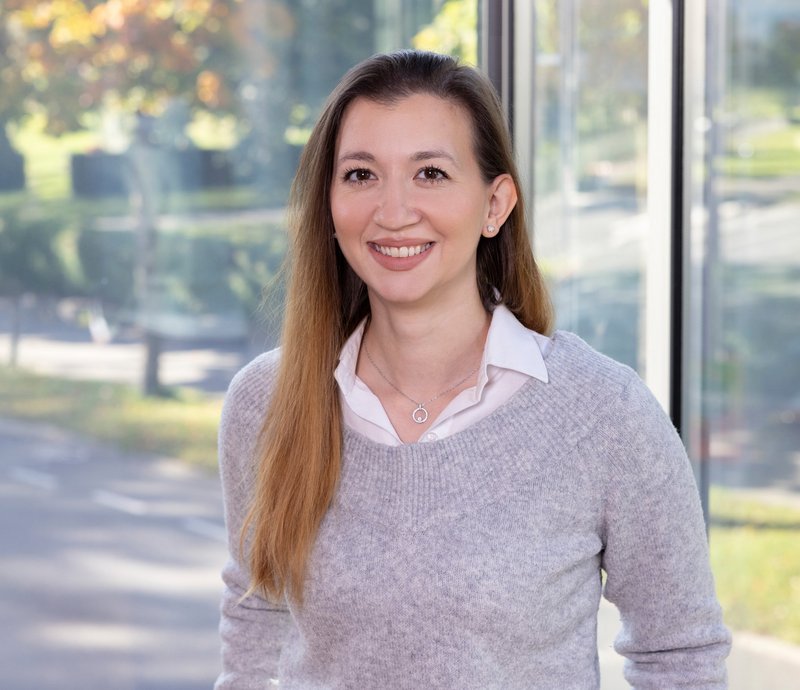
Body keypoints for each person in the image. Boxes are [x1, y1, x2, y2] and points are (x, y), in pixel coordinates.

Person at [215, 50, 730, 689]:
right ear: (329, 203)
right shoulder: (266, 402)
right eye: (360, 175)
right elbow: (255, 624)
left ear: (495, 204)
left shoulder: (603, 414)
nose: (393, 210)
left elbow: (681, 657)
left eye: (430, 173)